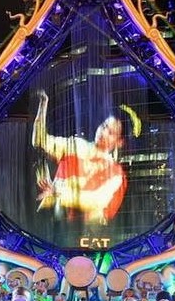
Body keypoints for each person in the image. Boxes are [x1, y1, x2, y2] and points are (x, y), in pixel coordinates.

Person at [31, 90, 131, 224]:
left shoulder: (116, 173)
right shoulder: (75, 145)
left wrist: (58, 192)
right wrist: (43, 105)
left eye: (111, 132)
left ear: (119, 142)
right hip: (51, 222)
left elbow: (95, 201)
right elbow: (39, 141)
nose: (103, 132)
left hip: (81, 230)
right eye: (104, 126)